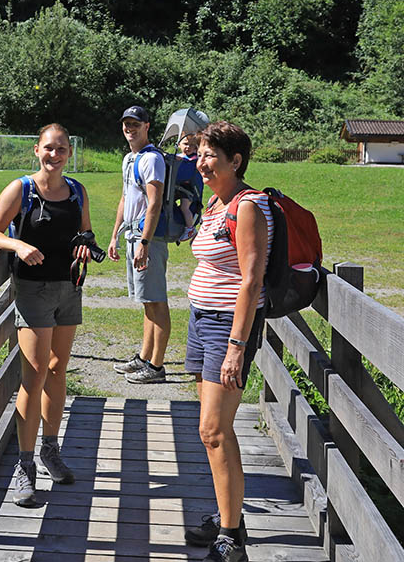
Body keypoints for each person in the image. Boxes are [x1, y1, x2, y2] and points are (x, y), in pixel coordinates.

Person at [0, 123, 94, 507]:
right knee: (35, 373)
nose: (54, 155)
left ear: (69, 153)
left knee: (59, 369)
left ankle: (50, 450)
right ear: (36, 150)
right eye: (48, 148)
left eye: (61, 149)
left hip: (68, 288)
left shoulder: (77, 191)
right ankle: (24, 467)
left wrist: (87, 247)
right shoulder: (21, 189)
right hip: (32, 290)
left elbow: (86, 233)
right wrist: (18, 245)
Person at [183, 121, 273, 562]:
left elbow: (252, 279)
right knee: (213, 432)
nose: (201, 161)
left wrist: (238, 344)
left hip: (226, 328)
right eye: (199, 153)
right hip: (201, 322)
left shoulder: (249, 206)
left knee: (213, 430)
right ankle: (226, 518)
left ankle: (232, 538)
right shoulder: (216, 204)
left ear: (235, 161)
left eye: (209, 155)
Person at [108, 105, 172, 384]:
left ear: (147, 126)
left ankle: (156, 366)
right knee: (146, 301)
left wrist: (145, 241)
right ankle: (144, 357)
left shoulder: (152, 159)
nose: (129, 128)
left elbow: (154, 203)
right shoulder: (129, 159)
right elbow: (125, 199)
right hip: (132, 235)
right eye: (126, 124)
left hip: (148, 237)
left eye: (135, 124)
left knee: (157, 300)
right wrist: (114, 235)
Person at [176, 133, 200, 242]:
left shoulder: (195, 158)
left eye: (192, 145)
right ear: (179, 144)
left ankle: (190, 228)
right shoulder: (179, 157)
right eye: (185, 144)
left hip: (189, 189)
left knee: (184, 207)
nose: (188, 147)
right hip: (179, 187)